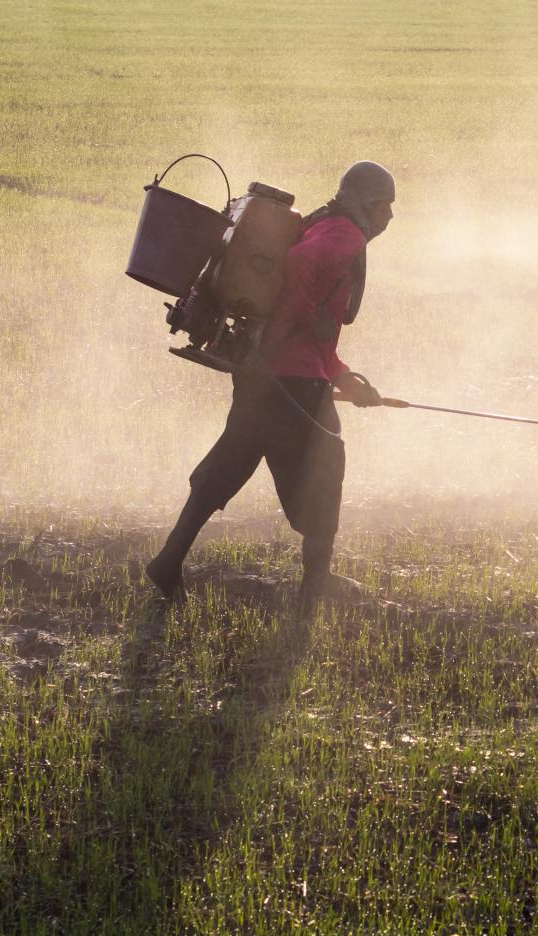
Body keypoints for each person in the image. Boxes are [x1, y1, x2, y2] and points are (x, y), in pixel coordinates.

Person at [146, 160, 396, 612]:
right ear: (365, 204)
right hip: (291, 381)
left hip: (266, 371)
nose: (389, 217)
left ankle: (168, 561)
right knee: (326, 470)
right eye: (384, 206)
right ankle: (312, 592)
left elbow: (315, 336)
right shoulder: (345, 235)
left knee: (232, 461)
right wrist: (293, 344)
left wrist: (342, 376)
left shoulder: (322, 223)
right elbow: (301, 271)